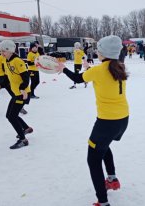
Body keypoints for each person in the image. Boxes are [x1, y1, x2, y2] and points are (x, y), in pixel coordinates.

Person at [56, 35, 129, 206]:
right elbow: (102, 73)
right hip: (122, 119)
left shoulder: (98, 71)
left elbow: (78, 79)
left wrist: (63, 68)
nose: (97, 52)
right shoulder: (119, 66)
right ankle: (112, 179)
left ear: (103, 53)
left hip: (107, 122)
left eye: (99, 50)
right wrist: (89, 68)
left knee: (93, 159)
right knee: (104, 145)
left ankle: (103, 202)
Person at [0, 40, 33, 149]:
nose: (1, 54)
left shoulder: (17, 61)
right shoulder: (6, 61)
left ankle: (23, 139)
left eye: (3, 51)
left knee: (12, 116)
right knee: (9, 115)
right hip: (16, 93)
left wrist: (23, 88)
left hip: (22, 94)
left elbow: (26, 77)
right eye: (0, 52)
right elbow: (8, 78)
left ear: (10, 50)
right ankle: (26, 128)